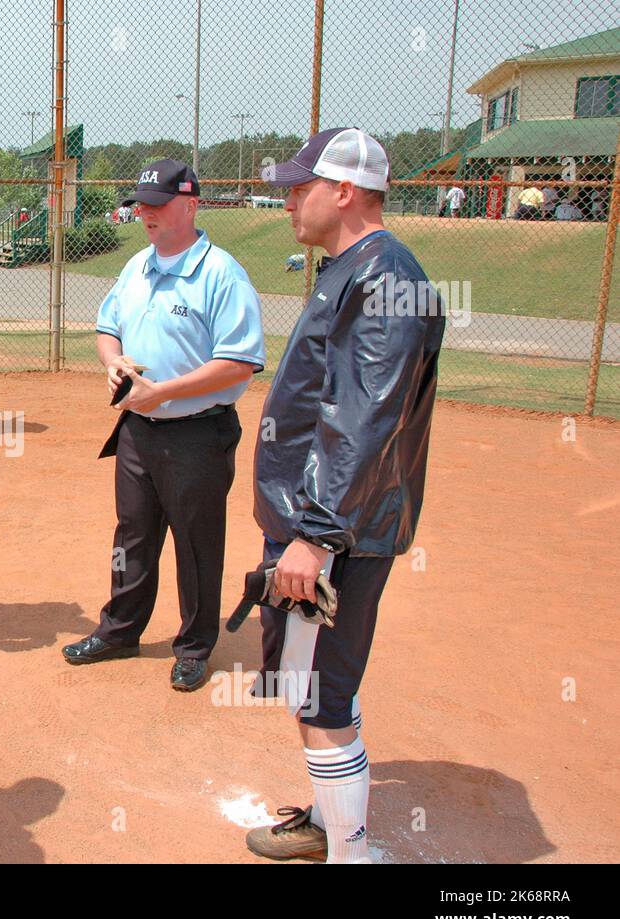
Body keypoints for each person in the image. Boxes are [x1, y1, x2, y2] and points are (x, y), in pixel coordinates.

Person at [247, 128, 445, 864]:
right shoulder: (352, 267)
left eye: (302, 188)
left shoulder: (384, 275)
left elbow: (364, 419)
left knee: (318, 697)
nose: (290, 201)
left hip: (337, 529)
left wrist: (316, 535)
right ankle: (333, 826)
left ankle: (352, 854)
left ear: (346, 192)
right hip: (324, 518)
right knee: (320, 682)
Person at [61, 159, 265, 692]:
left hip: (196, 432)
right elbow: (108, 329)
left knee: (196, 542)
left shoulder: (221, 273)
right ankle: (120, 630)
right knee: (131, 535)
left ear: (192, 204)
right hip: (137, 430)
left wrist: (161, 391)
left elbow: (238, 362)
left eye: (157, 203)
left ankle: (195, 646)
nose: (145, 212)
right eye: (141, 203)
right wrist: (114, 362)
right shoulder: (137, 266)